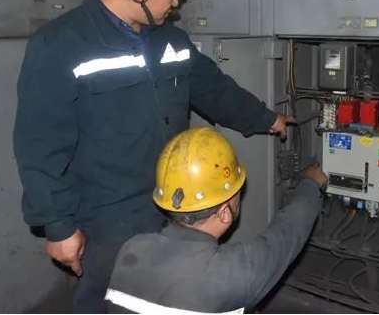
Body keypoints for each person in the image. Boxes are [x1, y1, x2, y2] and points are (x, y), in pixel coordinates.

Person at [12, 0, 294, 314]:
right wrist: (58, 226)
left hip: (169, 210)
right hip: (107, 224)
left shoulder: (171, 42)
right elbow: (38, 146)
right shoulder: (60, 46)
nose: (176, 4)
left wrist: (265, 118)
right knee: (106, 303)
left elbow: (214, 89)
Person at [104, 127, 328, 314]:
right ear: (224, 213)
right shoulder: (230, 275)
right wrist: (310, 184)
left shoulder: (132, 249)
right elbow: (286, 234)